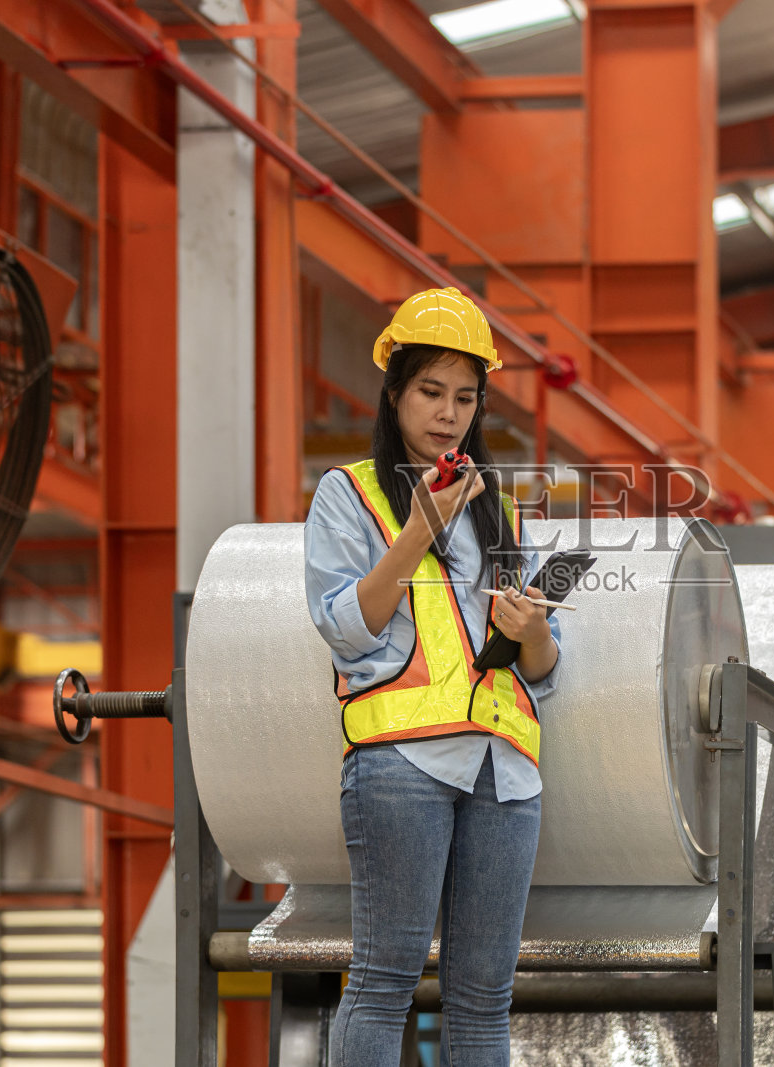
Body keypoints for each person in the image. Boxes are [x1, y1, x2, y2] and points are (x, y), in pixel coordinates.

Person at [304, 287, 564, 1066]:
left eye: (465, 397)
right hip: (401, 762)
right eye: (430, 391)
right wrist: (419, 528)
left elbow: (543, 671)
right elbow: (345, 625)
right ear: (394, 394)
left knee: (484, 1001)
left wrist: (533, 629)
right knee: (384, 982)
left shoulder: (495, 508)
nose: (449, 413)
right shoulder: (349, 493)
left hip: (504, 768)